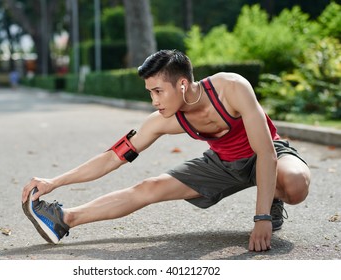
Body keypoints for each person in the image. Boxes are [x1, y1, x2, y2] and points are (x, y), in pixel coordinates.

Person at [22, 50, 310, 252]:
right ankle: (65, 218)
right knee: (149, 187)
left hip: (268, 154)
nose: (153, 101)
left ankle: (271, 198)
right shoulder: (163, 120)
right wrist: (54, 181)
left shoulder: (231, 88)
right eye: (150, 93)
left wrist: (261, 219)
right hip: (222, 163)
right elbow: (112, 157)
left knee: (295, 183)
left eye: (158, 91)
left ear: (182, 84)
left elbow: (266, 153)